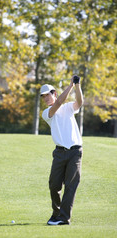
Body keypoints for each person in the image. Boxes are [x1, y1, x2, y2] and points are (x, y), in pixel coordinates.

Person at [40, 75, 83, 225]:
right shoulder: (46, 113)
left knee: (70, 186)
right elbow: (58, 103)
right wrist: (70, 85)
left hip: (75, 152)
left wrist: (77, 86)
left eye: (48, 95)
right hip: (59, 153)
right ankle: (56, 214)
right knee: (54, 184)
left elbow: (80, 102)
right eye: (43, 96)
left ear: (54, 93)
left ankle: (64, 218)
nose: (46, 98)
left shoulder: (68, 107)